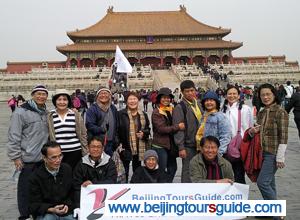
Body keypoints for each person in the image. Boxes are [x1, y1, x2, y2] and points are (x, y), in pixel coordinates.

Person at [7, 85, 49, 220]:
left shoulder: (45, 112)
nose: (41, 96)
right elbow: (14, 136)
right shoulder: (20, 112)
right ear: (33, 95)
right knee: (25, 188)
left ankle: (37, 212)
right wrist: (16, 157)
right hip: (27, 158)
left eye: (44, 94)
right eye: (38, 94)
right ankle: (24, 215)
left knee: (40, 188)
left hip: (42, 159)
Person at [248, 83, 288, 220]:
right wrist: (254, 131)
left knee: (262, 182)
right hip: (261, 152)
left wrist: (280, 157)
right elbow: (259, 129)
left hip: (273, 152)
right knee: (270, 182)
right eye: (262, 95)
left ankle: (278, 213)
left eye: (268, 94)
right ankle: (270, 211)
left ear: (274, 95)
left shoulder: (280, 112)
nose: (265, 97)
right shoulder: (262, 112)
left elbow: (283, 135)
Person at [28, 142, 75, 220]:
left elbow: (72, 193)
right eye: (53, 157)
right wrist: (51, 209)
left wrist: (67, 205)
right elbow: (33, 205)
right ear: (44, 158)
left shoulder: (67, 169)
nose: (58, 160)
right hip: (47, 212)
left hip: (66, 210)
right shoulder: (35, 177)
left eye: (60, 156)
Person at [73, 136, 117, 209]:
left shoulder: (109, 162)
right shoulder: (81, 163)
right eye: (93, 147)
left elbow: (112, 181)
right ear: (88, 148)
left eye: (98, 147)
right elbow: (76, 184)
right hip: (86, 200)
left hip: (106, 200)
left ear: (103, 148)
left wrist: (93, 184)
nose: (95, 149)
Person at [47, 89, 87, 169]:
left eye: (65, 99)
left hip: (75, 152)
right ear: (55, 101)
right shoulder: (50, 116)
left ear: (68, 101)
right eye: (59, 99)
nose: (62, 102)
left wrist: (85, 151)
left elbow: (83, 134)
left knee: (75, 177)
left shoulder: (75, 115)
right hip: (58, 154)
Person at [151, 87, 185, 181]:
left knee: (173, 168)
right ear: (159, 98)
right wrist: (178, 127)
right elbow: (161, 129)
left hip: (170, 145)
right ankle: (161, 187)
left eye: (168, 97)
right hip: (160, 145)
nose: (166, 99)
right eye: (164, 97)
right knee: (161, 169)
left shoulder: (171, 109)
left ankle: (167, 184)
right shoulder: (156, 112)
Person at [222, 85, 253, 183]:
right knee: (226, 175)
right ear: (226, 96)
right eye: (229, 94)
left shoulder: (245, 109)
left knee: (239, 174)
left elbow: (249, 127)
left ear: (239, 96)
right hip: (225, 147)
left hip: (239, 146)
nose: (232, 96)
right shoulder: (222, 109)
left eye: (234, 93)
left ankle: (241, 196)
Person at [173, 80, 202, 183]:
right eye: (187, 91)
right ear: (182, 92)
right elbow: (178, 130)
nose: (190, 93)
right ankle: (186, 192)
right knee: (187, 171)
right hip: (188, 145)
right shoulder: (180, 107)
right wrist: (181, 147)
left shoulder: (198, 104)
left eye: (192, 90)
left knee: (199, 170)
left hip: (200, 144)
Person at [118, 92, 150, 182]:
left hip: (139, 147)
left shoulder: (144, 114)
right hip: (125, 148)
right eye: (130, 99)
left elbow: (148, 129)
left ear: (138, 100)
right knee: (124, 172)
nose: (132, 101)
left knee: (137, 172)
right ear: (126, 101)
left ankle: (135, 189)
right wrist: (119, 145)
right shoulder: (120, 114)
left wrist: (144, 133)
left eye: (134, 99)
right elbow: (117, 131)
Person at [195, 91, 231, 156]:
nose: (209, 102)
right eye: (206, 100)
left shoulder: (221, 117)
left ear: (216, 102)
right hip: (203, 151)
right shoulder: (204, 116)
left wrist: (218, 153)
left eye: (211, 100)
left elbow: (225, 136)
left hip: (213, 153)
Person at [86, 87, 119, 156]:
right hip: (97, 143)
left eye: (106, 93)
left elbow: (117, 124)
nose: (103, 95)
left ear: (110, 96)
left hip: (111, 142)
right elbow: (89, 125)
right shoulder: (92, 109)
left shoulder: (113, 108)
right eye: (101, 93)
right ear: (97, 96)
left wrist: (116, 138)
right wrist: (101, 129)